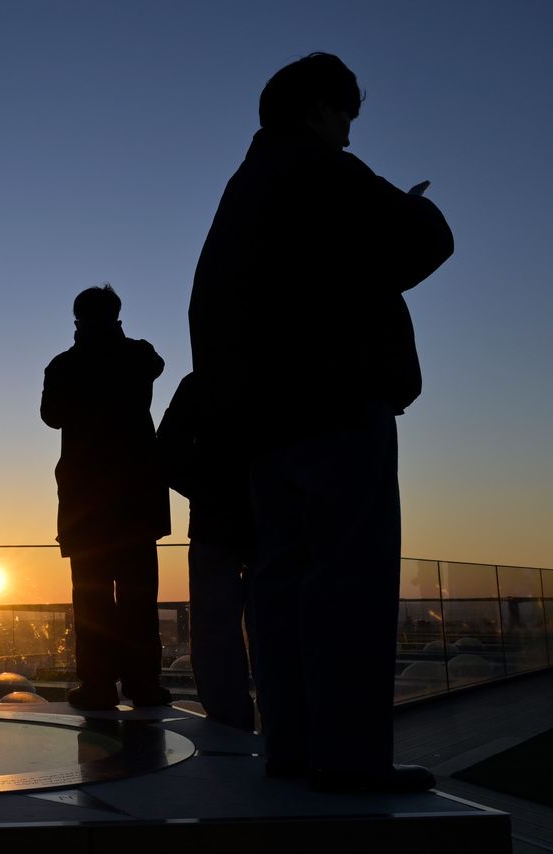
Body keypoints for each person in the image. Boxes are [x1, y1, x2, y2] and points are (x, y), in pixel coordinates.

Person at [188, 53, 453, 792]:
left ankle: (294, 748)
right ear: (317, 109)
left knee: (281, 581)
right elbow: (423, 243)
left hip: (264, 431)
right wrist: (413, 205)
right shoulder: (321, 170)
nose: (348, 132)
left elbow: (208, 311)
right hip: (337, 409)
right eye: (344, 115)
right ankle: (350, 758)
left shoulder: (241, 191)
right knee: (350, 578)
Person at [41, 285, 172, 710]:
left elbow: (50, 416)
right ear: (116, 316)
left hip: (86, 504)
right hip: (136, 498)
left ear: (77, 320)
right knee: (138, 597)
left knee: (92, 598)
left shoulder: (65, 366)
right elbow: (155, 364)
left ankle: (97, 684)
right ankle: (143, 684)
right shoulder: (138, 356)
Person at [156, 372, 256, 731]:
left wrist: (205, 491)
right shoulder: (282, 375)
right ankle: (287, 725)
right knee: (278, 623)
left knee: (214, 626)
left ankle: (229, 725)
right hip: (274, 519)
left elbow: (166, 452)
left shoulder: (201, 382)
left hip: (213, 522)